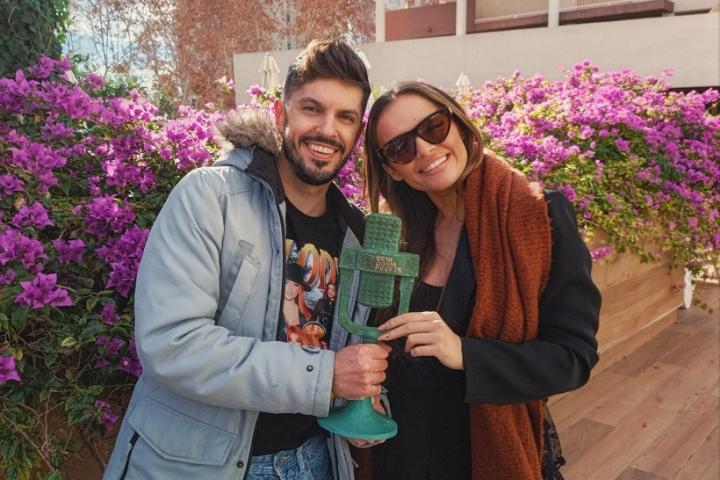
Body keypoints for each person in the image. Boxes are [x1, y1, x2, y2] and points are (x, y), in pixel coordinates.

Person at [103, 39, 391, 480]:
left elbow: (349, 357)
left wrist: (365, 404)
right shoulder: (209, 196)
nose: (327, 129)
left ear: (356, 132)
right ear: (281, 114)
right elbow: (173, 343)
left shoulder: (355, 233)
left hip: (317, 460)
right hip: (200, 465)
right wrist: (326, 375)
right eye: (312, 108)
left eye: (345, 117)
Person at [362, 81, 601, 480]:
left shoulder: (538, 216)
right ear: (392, 170)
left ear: (458, 123)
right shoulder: (396, 233)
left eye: (433, 127)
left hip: (478, 457)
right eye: (400, 147)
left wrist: (465, 354)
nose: (424, 149)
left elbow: (573, 359)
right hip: (398, 453)